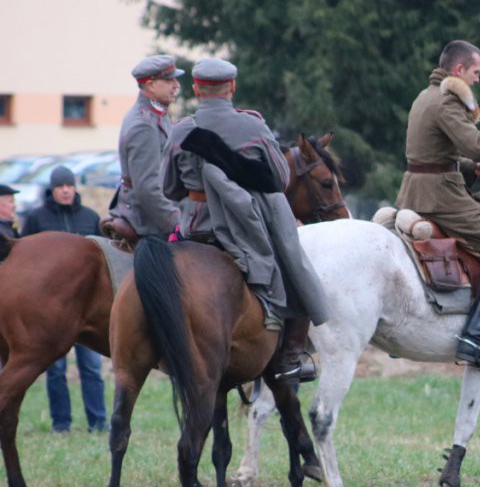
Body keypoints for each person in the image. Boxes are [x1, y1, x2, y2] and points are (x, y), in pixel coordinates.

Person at [163, 57, 330, 381]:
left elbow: (169, 188)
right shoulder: (253, 126)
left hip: (195, 229)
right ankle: (291, 358)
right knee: (294, 267)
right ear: (232, 88)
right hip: (247, 229)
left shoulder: (182, 129)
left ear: (196, 89)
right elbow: (280, 180)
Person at [395, 40, 480, 372]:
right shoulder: (448, 102)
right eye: (475, 72)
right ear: (458, 70)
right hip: (441, 197)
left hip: (414, 191)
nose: (478, 79)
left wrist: (471, 168)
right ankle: (474, 337)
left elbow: (434, 154)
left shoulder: (425, 97)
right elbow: (477, 143)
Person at [21, 166, 108, 433]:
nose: (66, 190)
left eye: (70, 185)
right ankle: (61, 424)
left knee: (92, 367)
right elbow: (24, 260)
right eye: (61, 186)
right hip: (51, 309)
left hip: (88, 307)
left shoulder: (90, 217)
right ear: (53, 190)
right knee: (56, 369)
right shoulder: (36, 219)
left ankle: (98, 422)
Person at [105, 54, 183, 241]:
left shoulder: (156, 114)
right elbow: (148, 188)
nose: (176, 85)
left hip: (153, 210)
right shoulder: (143, 124)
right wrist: (177, 223)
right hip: (147, 219)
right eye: (169, 80)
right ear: (151, 85)